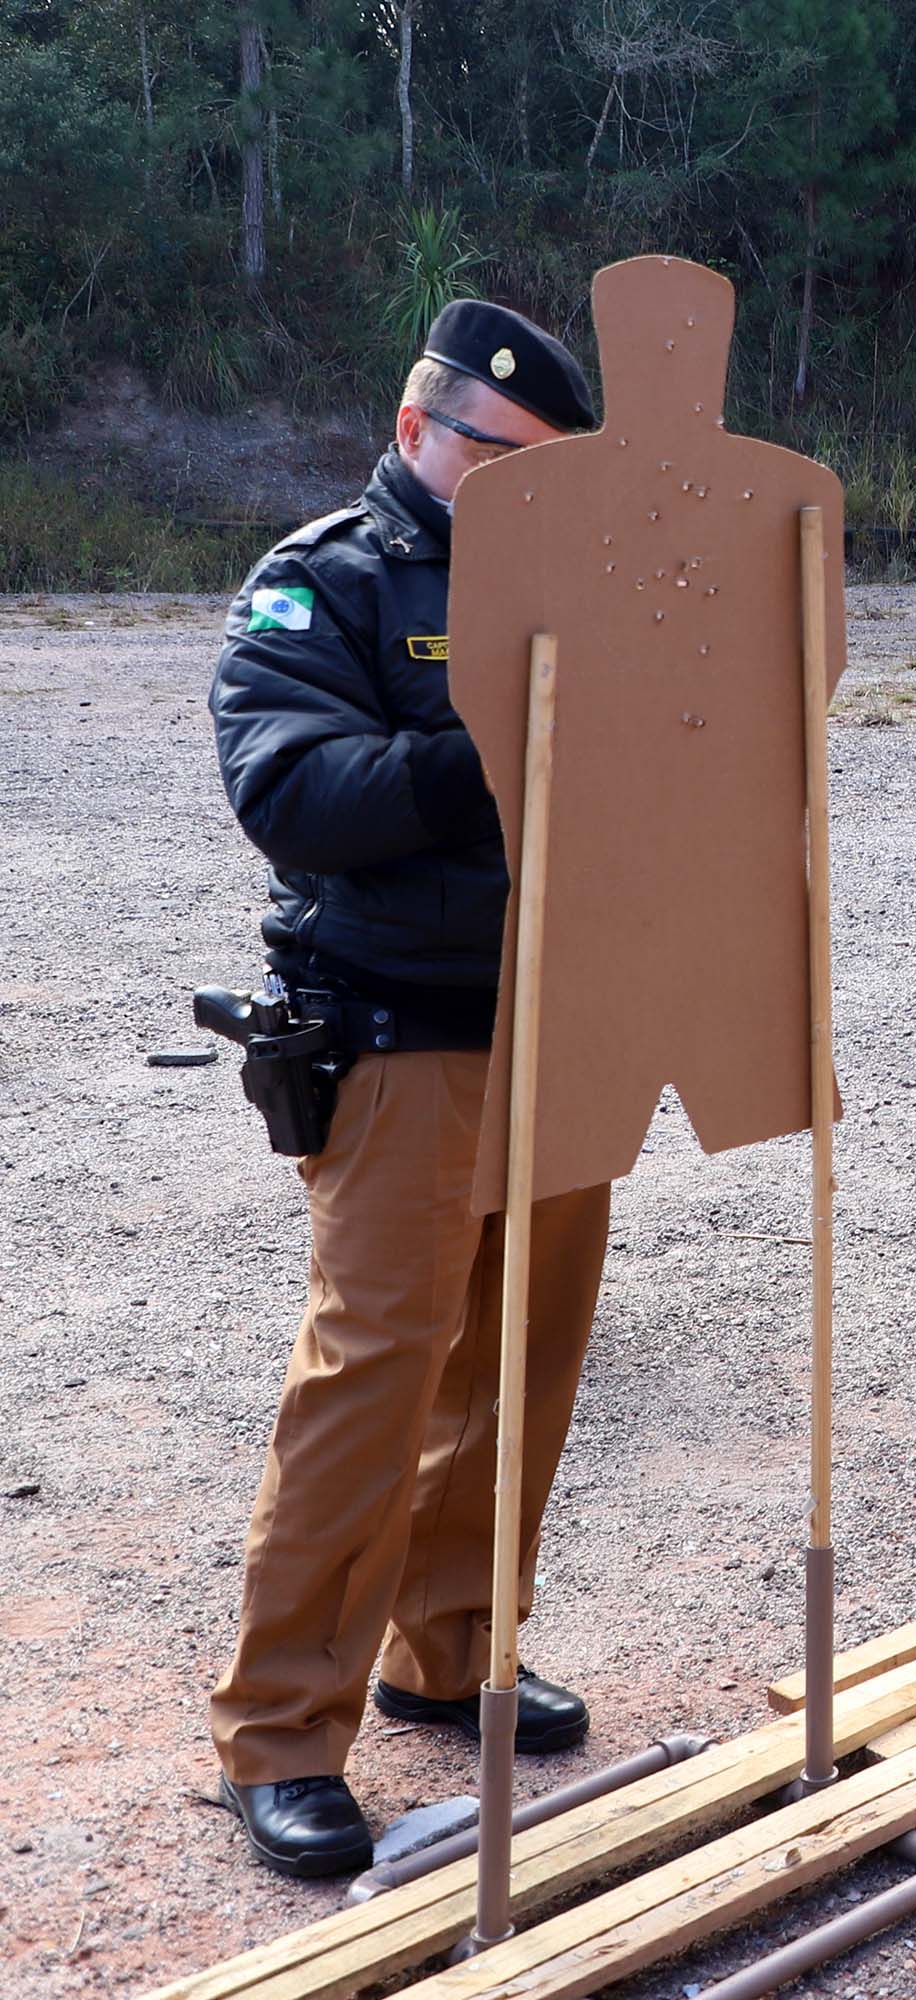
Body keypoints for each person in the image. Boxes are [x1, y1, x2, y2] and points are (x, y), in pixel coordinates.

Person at [204, 301, 602, 1878]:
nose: (523, 494)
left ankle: (449, 1649)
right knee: (374, 1382)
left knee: (522, 1365)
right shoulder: (328, 581)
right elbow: (289, 788)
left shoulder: (582, 583)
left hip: (562, 1023)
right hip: (399, 1033)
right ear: (417, 427)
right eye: (501, 461)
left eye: (548, 472)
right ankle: (280, 1732)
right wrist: (484, 753)